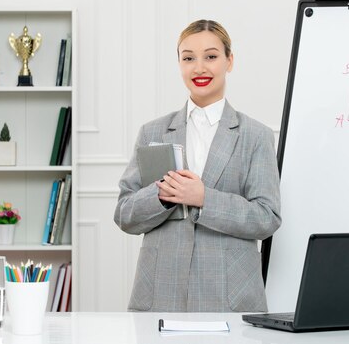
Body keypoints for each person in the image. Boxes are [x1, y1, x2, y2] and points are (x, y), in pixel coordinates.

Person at [114, 19, 281, 312]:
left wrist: (204, 199)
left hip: (230, 298)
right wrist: (162, 196)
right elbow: (125, 215)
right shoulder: (151, 132)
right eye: (188, 58)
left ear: (230, 61)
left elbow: (266, 218)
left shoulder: (256, 135)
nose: (199, 68)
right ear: (179, 63)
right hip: (160, 297)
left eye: (211, 56)